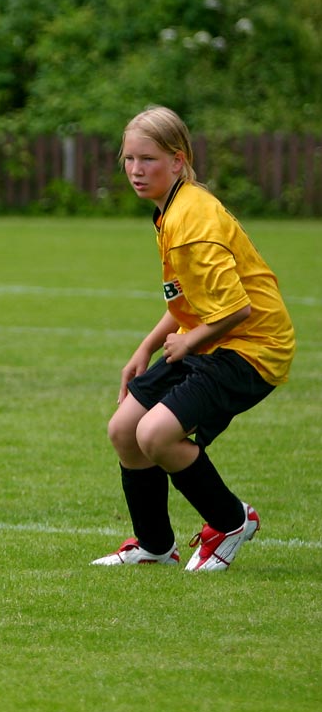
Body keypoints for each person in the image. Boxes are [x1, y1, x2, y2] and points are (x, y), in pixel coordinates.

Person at [92, 106, 294, 571]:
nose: (136, 171)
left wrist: (187, 342)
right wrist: (146, 346)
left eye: (149, 160)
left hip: (252, 347)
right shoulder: (173, 209)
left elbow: (237, 308)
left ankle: (231, 521)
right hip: (212, 337)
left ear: (178, 161)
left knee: (156, 435)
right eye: (129, 160)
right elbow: (188, 298)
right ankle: (155, 546)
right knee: (124, 429)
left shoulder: (192, 222)